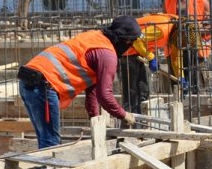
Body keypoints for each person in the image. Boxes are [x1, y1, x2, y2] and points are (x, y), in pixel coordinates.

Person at [18, 16, 141, 148]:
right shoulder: (107, 55)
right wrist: (123, 115)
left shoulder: (94, 36)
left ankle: (43, 160)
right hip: (43, 85)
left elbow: (93, 91)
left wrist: (95, 120)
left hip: (28, 79)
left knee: (45, 138)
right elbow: (105, 95)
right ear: (126, 40)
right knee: (50, 144)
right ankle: (46, 161)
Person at [164, 0, 211, 93]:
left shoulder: (201, 1)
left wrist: (193, 30)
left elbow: (210, 26)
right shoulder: (168, 1)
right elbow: (165, 24)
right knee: (177, 89)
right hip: (174, 51)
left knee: (196, 88)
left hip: (195, 51)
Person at [119, 12, 177, 112]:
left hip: (139, 53)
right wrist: (151, 57)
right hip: (127, 51)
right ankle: (130, 118)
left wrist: (181, 76)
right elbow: (136, 39)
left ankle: (142, 116)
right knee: (131, 92)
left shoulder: (176, 24)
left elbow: (177, 57)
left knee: (143, 90)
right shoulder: (162, 30)